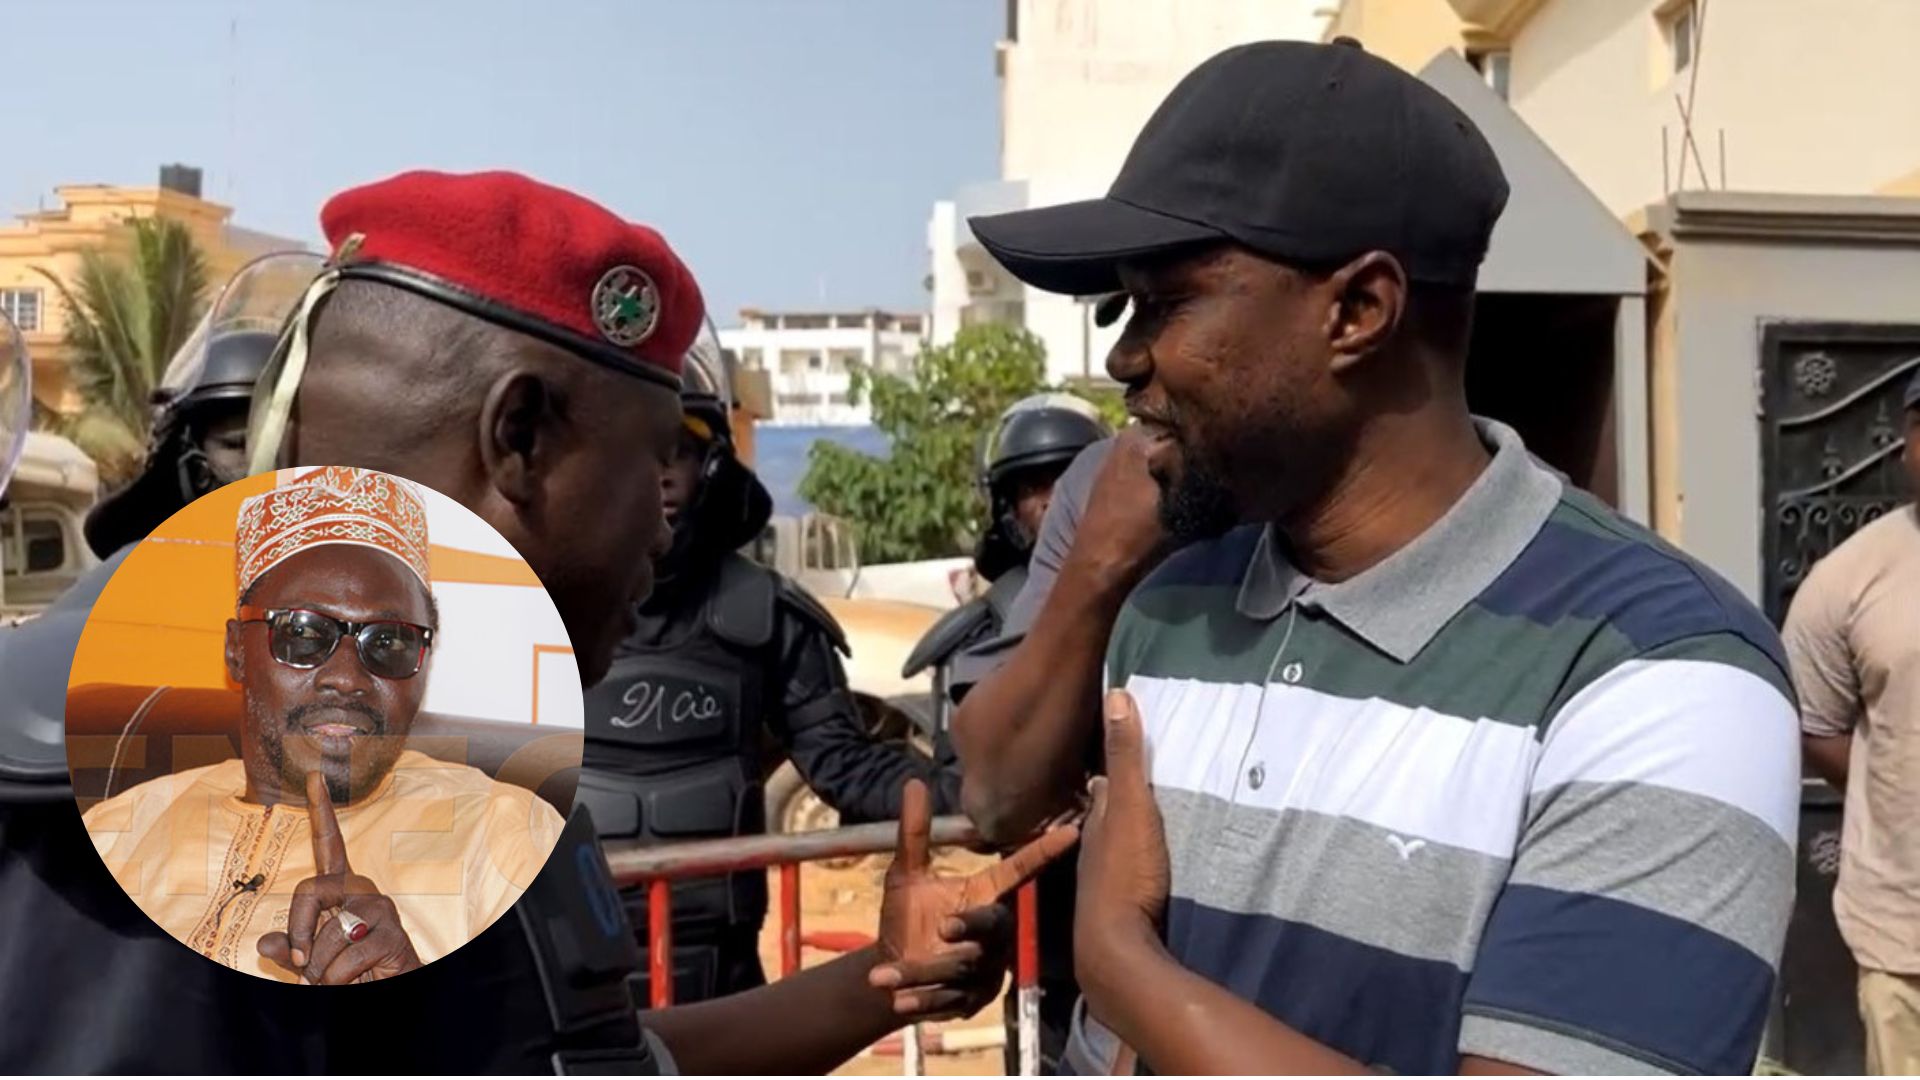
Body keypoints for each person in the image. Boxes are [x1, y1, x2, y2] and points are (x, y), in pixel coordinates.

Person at [0, 169, 1074, 1073]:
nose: (669, 513)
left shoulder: (442, 710)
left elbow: (568, 1056)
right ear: (518, 435)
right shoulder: (174, 745)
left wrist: (879, 982)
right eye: (650, 458)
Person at [964, 39, 1801, 1075]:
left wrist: (1125, 967)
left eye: (1168, 301)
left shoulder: (1660, 673)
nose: (1124, 357)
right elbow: (997, 796)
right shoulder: (1172, 604)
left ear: (1358, 309)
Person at [580, 322, 962, 1003]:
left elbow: (846, 767)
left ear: (714, 466)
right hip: (561, 979)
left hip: (717, 977)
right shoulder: (530, 607)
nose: (662, 470)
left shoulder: (765, 616)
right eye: (640, 448)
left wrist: (977, 792)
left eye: (681, 450)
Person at [82, 466, 565, 983]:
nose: (346, 678)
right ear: (236, 651)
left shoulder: (507, 836)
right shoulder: (118, 831)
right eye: (304, 633)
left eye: (389, 641)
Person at [902, 392, 1108, 1072]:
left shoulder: (1164, 595)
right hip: (1042, 911)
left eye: (1070, 477)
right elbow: (973, 781)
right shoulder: (987, 628)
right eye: (1032, 486)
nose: (1053, 501)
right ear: (1005, 504)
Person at [1782, 367, 1920, 1075]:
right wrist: (1889, 780)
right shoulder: (1850, 578)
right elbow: (1814, 723)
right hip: (1905, 937)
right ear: (1907, 445)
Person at [81, 251, 321, 559]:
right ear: (189, 459)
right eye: (237, 444)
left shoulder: (347, 585)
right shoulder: (128, 583)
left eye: (280, 444)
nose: (262, 461)